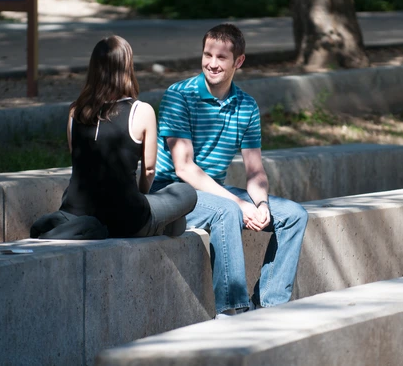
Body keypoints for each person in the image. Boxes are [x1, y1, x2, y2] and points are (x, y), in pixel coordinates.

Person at [151, 24, 308, 318]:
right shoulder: (179, 96)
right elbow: (184, 167)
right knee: (228, 211)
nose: (212, 63)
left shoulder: (246, 105)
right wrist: (238, 203)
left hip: (210, 192)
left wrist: (260, 203)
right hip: (170, 192)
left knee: (294, 215)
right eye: (207, 54)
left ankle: (269, 306)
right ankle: (233, 310)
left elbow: (255, 170)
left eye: (221, 57)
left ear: (239, 61)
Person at [31, 35, 197, 240]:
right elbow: (149, 170)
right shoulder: (141, 111)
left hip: (77, 211)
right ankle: (165, 226)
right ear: (127, 67)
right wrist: (141, 197)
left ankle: (164, 225)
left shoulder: (75, 112)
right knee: (185, 192)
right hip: (126, 218)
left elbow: (80, 163)